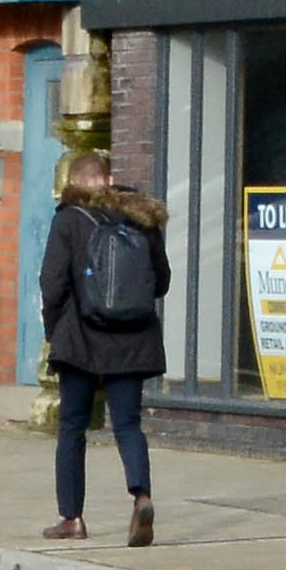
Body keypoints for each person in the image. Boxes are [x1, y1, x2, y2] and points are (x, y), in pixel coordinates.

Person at [36, 154, 173, 548]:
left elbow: (52, 284)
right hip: (133, 338)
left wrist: (54, 331)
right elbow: (160, 282)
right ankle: (141, 497)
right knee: (128, 424)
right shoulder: (140, 218)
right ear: (110, 180)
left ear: (74, 182)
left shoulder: (68, 220)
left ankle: (72, 517)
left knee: (73, 427)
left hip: (80, 339)